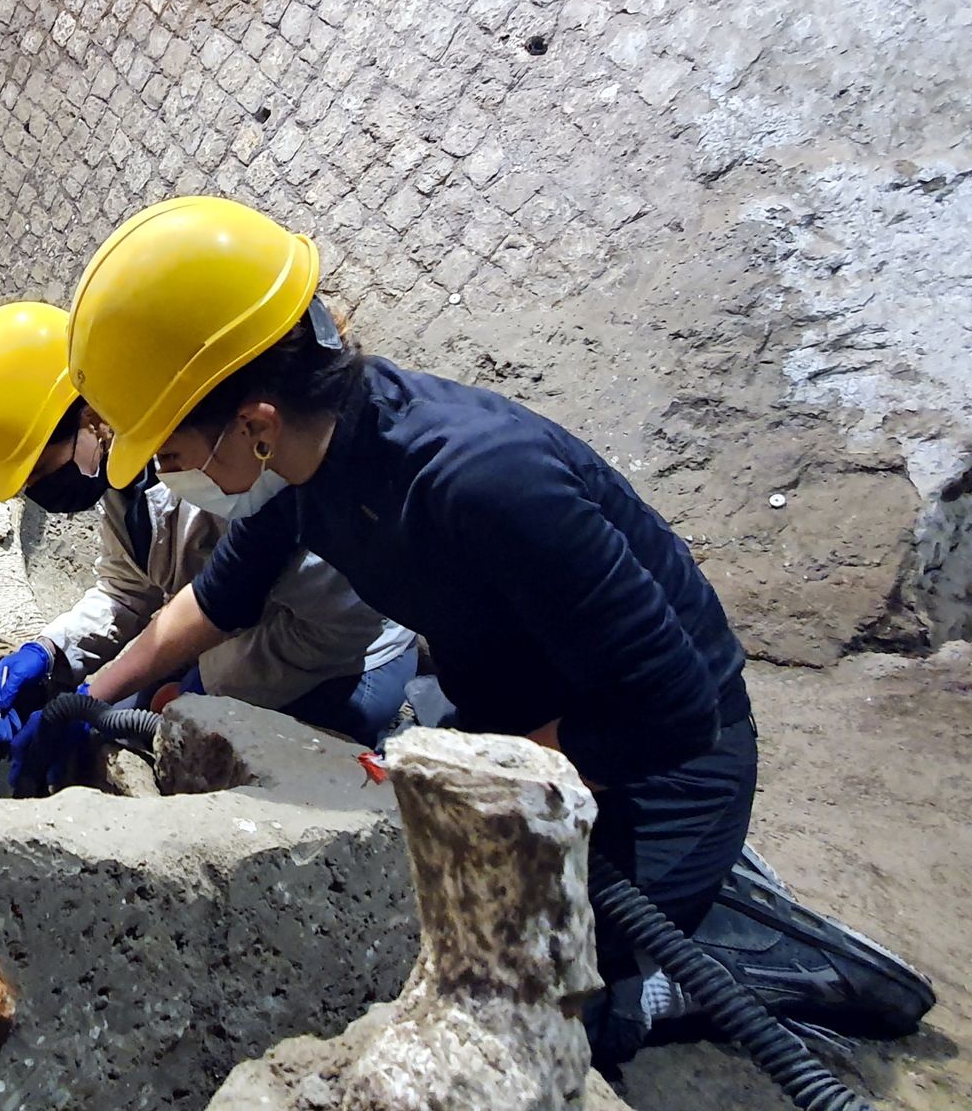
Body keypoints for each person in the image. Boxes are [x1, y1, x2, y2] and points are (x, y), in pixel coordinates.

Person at [62, 196, 757, 1065]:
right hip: (523, 722)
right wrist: (82, 696)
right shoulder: (310, 465)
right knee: (407, 928)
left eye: (169, 452)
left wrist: (455, 775)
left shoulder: (484, 481)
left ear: (255, 423)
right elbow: (213, 602)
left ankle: (709, 970)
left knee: (527, 1012)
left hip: (667, 762)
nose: (167, 477)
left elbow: (671, 712)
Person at [0, 301, 417, 793]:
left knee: (182, 759)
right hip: (227, 640)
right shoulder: (120, 476)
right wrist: (49, 651)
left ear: (90, 418)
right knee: (117, 720)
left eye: (42, 468)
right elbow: (127, 592)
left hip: (340, 663)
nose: (44, 489)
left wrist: (203, 686)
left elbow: (335, 629)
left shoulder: (232, 465)